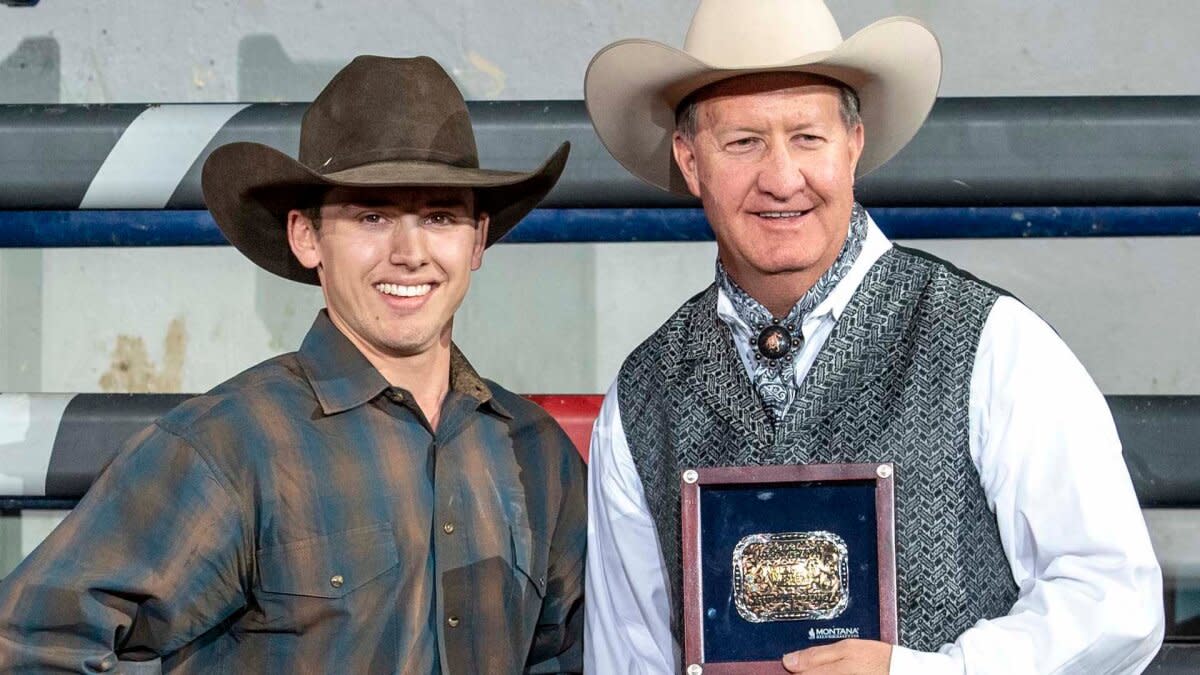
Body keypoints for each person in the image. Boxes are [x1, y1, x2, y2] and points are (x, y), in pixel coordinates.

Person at [581, 1, 1163, 673]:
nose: (781, 178)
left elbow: (1115, 601)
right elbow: (628, 658)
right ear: (690, 161)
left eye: (808, 137)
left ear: (852, 145)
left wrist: (925, 672)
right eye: (743, 142)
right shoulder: (644, 394)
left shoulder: (992, 343)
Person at [0, 55, 585, 674]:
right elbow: (30, 642)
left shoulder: (537, 454)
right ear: (307, 237)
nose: (410, 252)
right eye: (372, 216)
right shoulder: (230, 446)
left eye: (439, 217)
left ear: (477, 240)